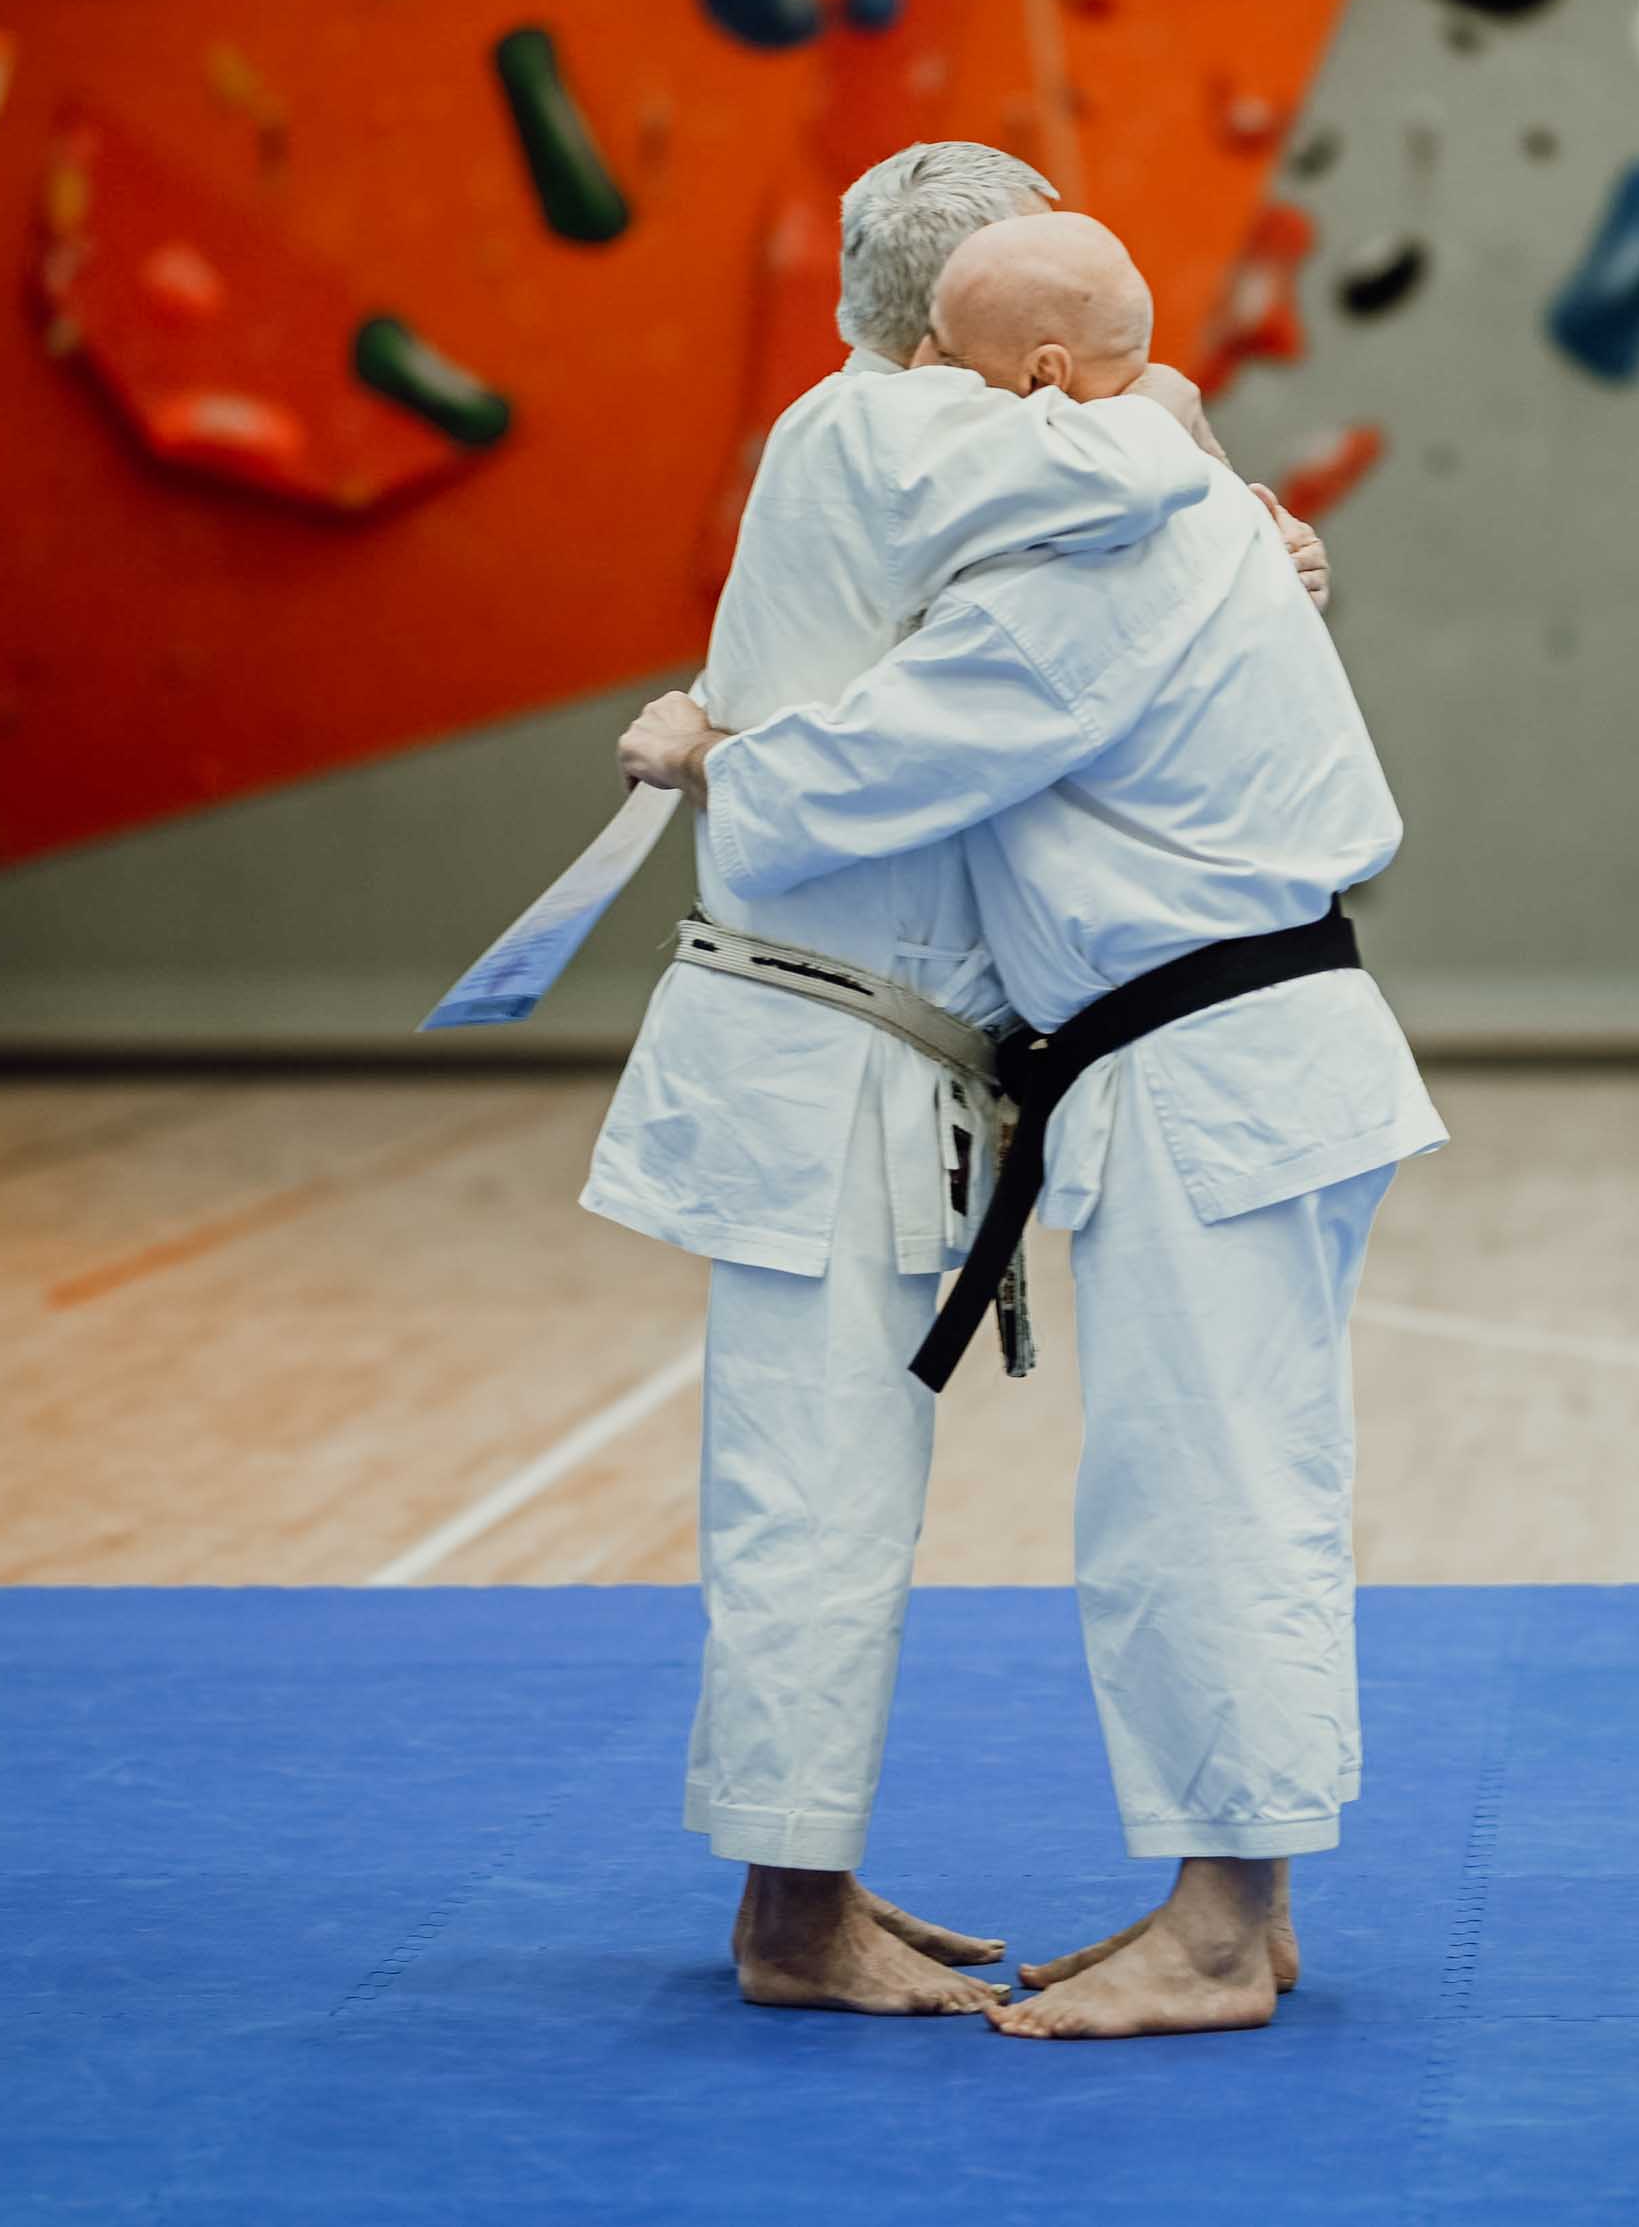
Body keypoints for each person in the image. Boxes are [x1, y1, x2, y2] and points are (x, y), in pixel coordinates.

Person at [619, 211, 1444, 2040]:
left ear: (1051, 388)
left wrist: (714, 749)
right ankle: (1244, 1909)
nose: (928, 410)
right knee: (1235, 1471)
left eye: (962, 377)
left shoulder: (1098, 557)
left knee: (1202, 1490)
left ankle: (1224, 1933)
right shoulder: (1176, 512)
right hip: (1231, 1048)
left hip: (1211, 1060)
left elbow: (888, 756)